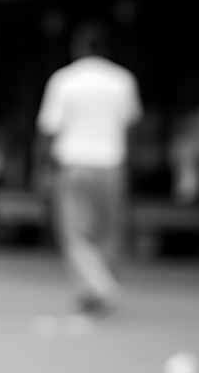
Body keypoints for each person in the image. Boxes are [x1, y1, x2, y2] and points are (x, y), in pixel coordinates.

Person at [37, 23, 141, 317]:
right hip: (112, 163)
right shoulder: (122, 80)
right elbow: (132, 129)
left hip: (74, 163)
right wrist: (128, 165)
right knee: (109, 232)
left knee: (76, 233)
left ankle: (99, 288)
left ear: (80, 48)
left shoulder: (65, 80)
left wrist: (42, 169)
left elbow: (47, 130)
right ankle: (96, 289)